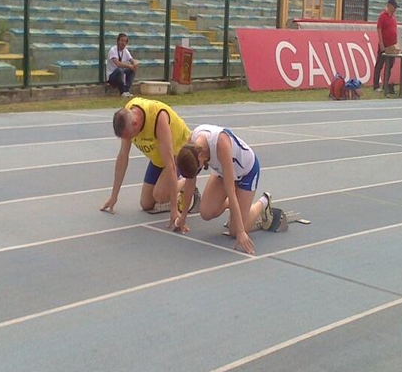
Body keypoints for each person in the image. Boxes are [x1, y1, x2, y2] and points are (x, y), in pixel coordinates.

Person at [175, 124, 274, 255]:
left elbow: (230, 189)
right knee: (206, 212)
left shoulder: (221, 144)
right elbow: (190, 182)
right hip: (223, 172)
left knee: (235, 231)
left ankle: (263, 202)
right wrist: (183, 217)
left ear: (200, 157)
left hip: (246, 173)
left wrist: (241, 232)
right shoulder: (192, 144)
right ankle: (233, 206)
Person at [100, 97, 190, 228]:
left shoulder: (158, 118)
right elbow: (123, 156)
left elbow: (170, 164)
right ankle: (172, 188)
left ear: (135, 124)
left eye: (129, 136)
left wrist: (174, 211)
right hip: (158, 158)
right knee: (146, 204)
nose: (129, 139)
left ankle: (188, 184)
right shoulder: (128, 116)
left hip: (180, 153)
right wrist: (114, 196)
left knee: (160, 195)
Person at [372, 0, 399, 93]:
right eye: (394, 6)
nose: (395, 9)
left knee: (390, 65)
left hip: (392, 46)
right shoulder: (383, 16)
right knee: (379, 64)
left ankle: (385, 85)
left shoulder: (393, 17)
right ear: (390, 5)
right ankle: (375, 85)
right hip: (385, 45)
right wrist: (381, 43)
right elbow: (379, 29)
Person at [107, 33, 138, 98]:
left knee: (132, 70)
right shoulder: (113, 50)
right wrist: (129, 66)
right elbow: (118, 64)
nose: (123, 43)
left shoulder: (125, 51)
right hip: (112, 77)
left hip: (121, 74)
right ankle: (122, 92)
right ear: (118, 41)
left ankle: (126, 90)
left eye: (125, 41)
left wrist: (134, 64)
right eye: (122, 40)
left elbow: (132, 60)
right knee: (119, 70)